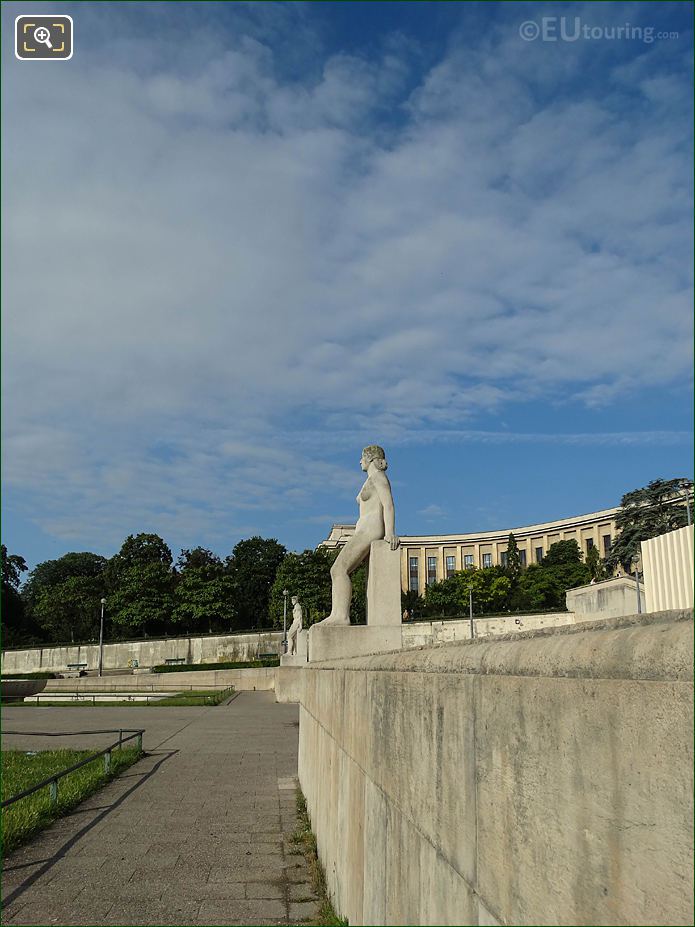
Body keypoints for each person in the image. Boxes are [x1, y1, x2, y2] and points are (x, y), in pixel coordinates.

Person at [318, 445, 399, 626]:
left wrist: (390, 533)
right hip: (363, 530)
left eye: (361, 457)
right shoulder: (371, 479)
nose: (359, 461)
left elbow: (389, 505)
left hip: (370, 530)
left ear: (370, 459)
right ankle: (338, 614)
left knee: (338, 569)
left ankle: (341, 616)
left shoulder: (378, 477)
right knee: (337, 570)